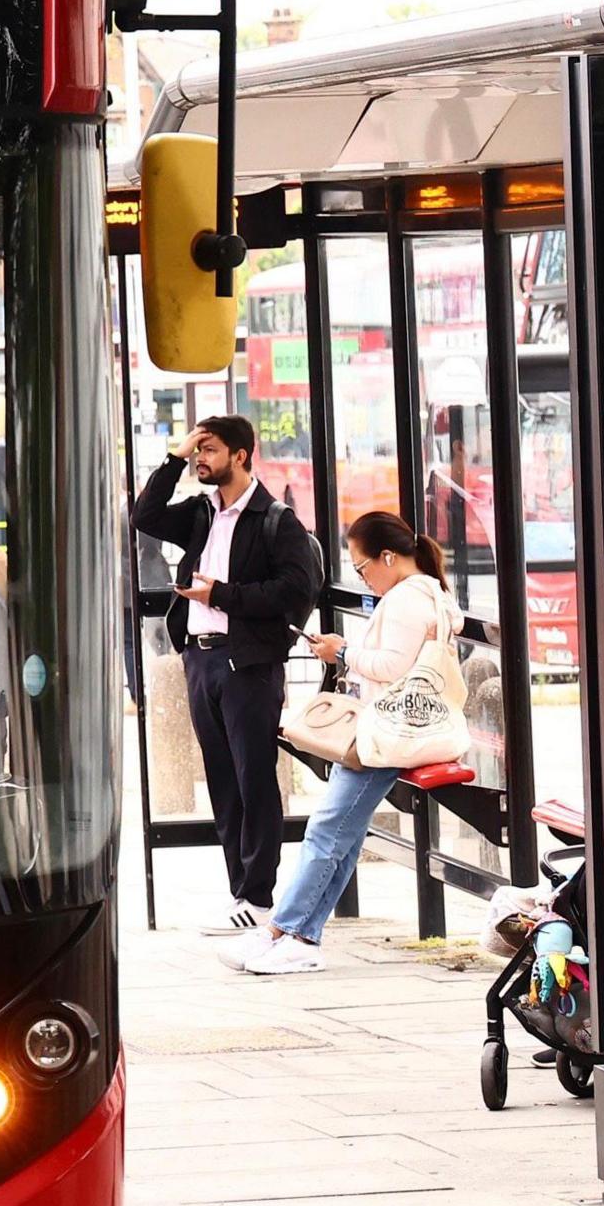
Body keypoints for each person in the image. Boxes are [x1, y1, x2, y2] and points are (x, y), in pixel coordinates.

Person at [235, 512, 460, 975]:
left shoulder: (403, 599)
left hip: (385, 736)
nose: (363, 577)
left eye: (361, 568)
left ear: (388, 557)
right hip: (396, 731)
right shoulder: (433, 592)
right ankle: (297, 933)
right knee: (342, 834)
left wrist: (341, 652)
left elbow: (390, 667)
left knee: (327, 830)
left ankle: (287, 930)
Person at [132, 416, 321, 934]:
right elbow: (145, 515)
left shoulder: (276, 520)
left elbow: (292, 592)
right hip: (201, 659)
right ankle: (240, 892)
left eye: (209, 449)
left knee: (254, 778)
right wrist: (175, 456)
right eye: (197, 449)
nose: (200, 458)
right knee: (222, 780)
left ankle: (259, 896)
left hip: (249, 666)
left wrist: (220, 595)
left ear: (240, 455)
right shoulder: (199, 513)